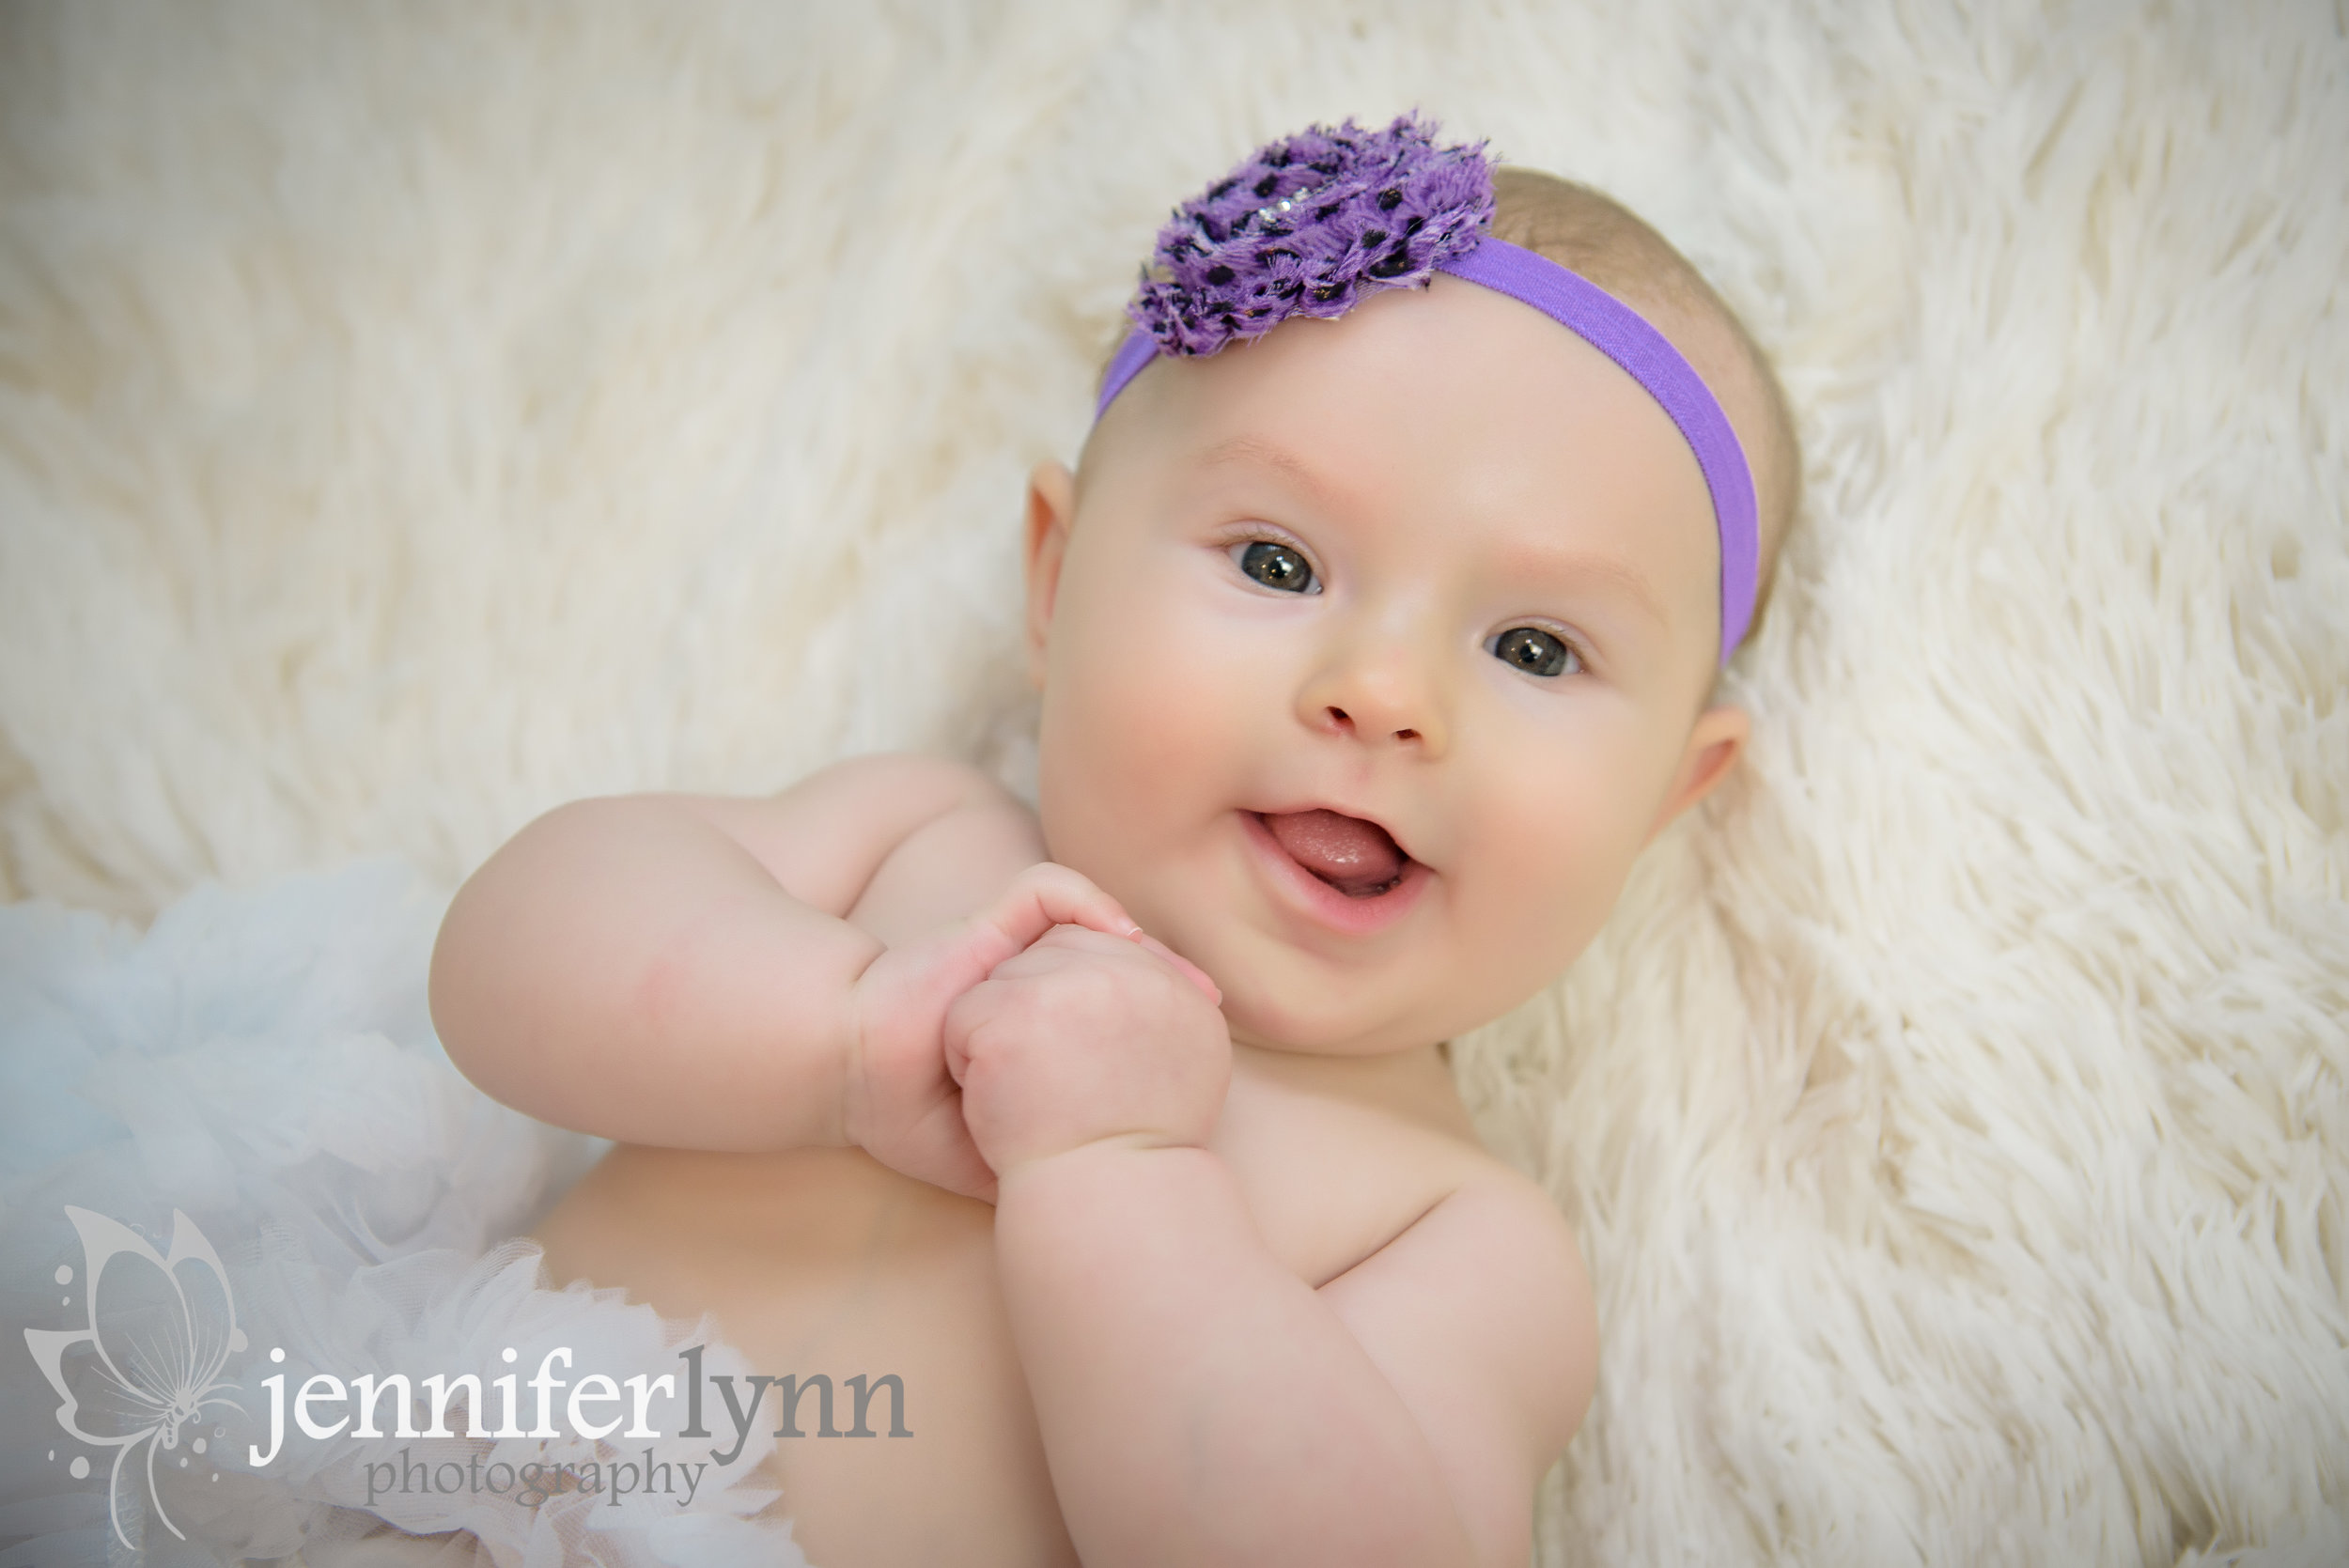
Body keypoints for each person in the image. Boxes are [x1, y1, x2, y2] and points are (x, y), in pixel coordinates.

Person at [430, 114, 1801, 1567]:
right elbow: (498, 960)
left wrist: (1124, 1167)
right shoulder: (921, 841)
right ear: (1057, 580)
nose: (1385, 694)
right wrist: (840, 1040)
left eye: (1534, 645)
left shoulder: (1455, 1234)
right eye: (1278, 562)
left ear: (1666, 796)